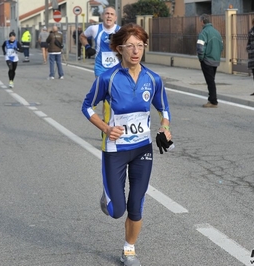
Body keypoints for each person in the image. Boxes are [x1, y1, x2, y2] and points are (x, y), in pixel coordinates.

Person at [81, 23, 172, 266]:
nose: (135, 51)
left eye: (140, 46)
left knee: (137, 204)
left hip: (142, 149)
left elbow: (164, 107)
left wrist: (165, 126)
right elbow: (86, 106)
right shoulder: (107, 78)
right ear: (119, 49)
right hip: (115, 150)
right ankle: (108, 195)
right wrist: (106, 128)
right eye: (130, 46)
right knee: (116, 211)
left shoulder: (152, 79)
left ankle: (129, 249)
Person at [80, 6, 120, 77]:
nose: (109, 16)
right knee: (101, 88)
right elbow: (82, 36)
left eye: (112, 14)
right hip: (100, 68)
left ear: (115, 18)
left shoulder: (121, 30)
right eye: (107, 13)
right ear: (102, 16)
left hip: (117, 67)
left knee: (114, 88)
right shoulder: (94, 29)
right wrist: (87, 47)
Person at [197, 14, 223, 108]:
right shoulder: (217, 32)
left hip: (207, 60)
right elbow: (221, 46)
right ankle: (212, 99)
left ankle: (213, 100)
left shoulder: (203, 32)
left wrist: (201, 58)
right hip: (215, 60)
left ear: (202, 21)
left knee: (210, 81)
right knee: (211, 80)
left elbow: (200, 47)